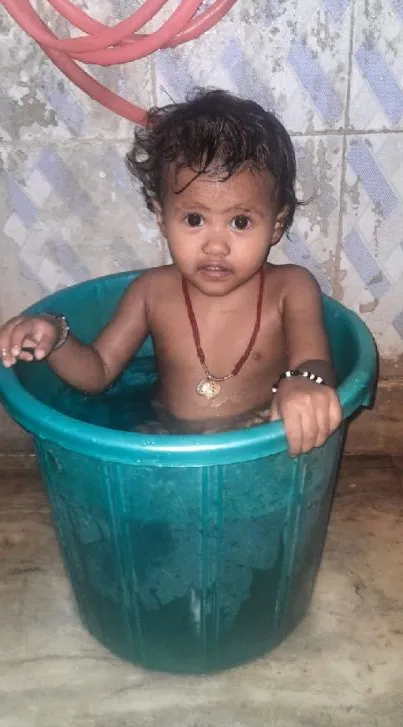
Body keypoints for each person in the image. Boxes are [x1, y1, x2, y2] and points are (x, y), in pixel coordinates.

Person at [0, 89, 342, 454]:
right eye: (195, 219)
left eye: (240, 222)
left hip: (260, 438)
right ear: (162, 217)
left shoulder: (291, 288)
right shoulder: (151, 293)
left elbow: (315, 362)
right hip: (165, 439)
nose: (215, 245)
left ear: (277, 224)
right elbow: (97, 374)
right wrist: (56, 336)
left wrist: (304, 382)